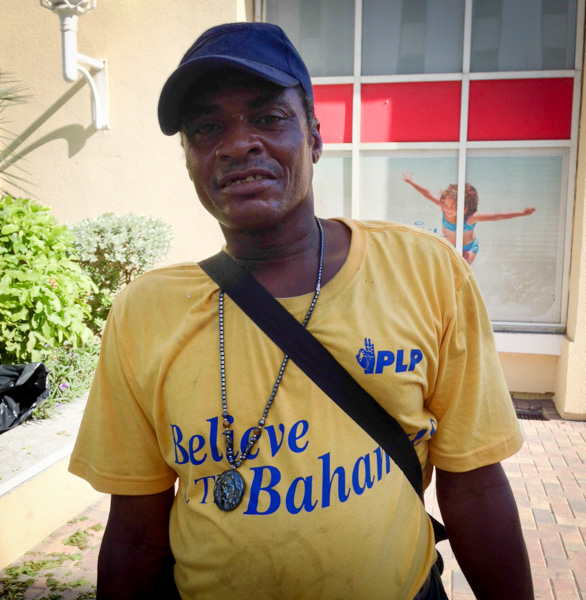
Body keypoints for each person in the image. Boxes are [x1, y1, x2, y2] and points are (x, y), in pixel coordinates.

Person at [69, 22, 534, 600]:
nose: (238, 143)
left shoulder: (426, 272)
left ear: (314, 137)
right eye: (208, 127)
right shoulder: (145, 312)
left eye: (268, 118)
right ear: (189, 158)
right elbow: (135, 533)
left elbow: (476, 486)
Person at [402, 171, 536, 264]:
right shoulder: (443, 207)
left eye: (453, 207)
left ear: (465, 208)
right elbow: (428, 194)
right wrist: (411, 182)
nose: (448, 209)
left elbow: (496, 216)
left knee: (461, 268)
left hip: (468, 248)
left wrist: (522, 213)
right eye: (446, 205)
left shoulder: (470, 218)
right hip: (450, 246)